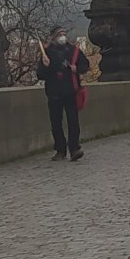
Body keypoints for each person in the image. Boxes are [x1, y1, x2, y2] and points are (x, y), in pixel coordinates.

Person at [35, 27, 88, 160]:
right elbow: (40, 75)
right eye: (59, 34)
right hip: (54, 92)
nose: (63, 37)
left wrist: (77, 69)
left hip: (71, 91)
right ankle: (60, 150)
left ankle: (74, 148)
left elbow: (85, 65)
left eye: (64, 34)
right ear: (53, 37)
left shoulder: (74, 51)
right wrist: (46, 66)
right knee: (56, 123)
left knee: (73, 121)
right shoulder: (47, 53)